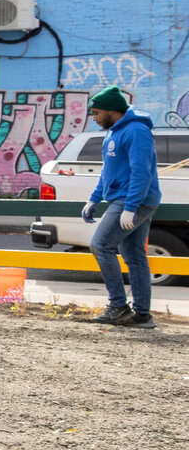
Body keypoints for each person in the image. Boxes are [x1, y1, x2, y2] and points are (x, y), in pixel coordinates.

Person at [83, 85, 162, 328]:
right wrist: (95, 198)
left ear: (112, 111)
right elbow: (109, 171)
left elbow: (141, 172)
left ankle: (118, 306)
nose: (94, 118)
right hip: (127, 199)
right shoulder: (114, 131)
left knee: (100, 245)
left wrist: (131, 206)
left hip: (133, 200)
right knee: (134, 256)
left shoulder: (136, 131)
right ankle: (141, 315)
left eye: (96, 113)